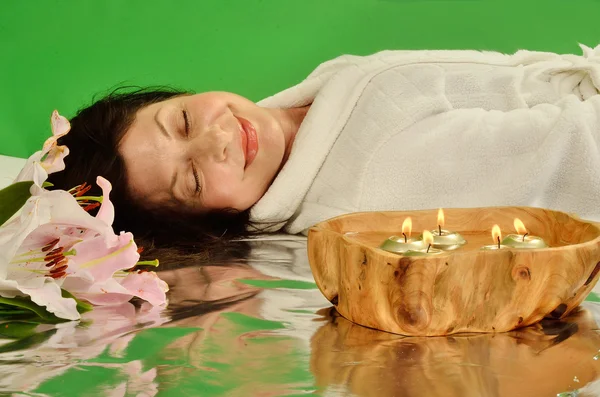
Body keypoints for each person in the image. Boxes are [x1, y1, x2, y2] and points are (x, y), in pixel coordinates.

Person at [48, 44, 600, 248]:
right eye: (191, 180)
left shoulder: (314, 106)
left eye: (184, 119)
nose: (217, 140)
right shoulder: (373, 176)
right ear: (207, 220)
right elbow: (581, 155)